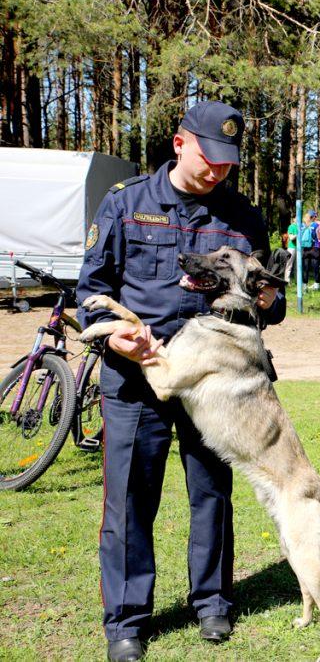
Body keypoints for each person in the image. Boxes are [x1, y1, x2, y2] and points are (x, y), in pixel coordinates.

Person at [77, 101, 286, 662]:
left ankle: (213, 602)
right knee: (128, 499)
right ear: (179, 142)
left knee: (213, 493)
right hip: (135, 377)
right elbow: (87, 291)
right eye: (209, 157)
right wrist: (110, 338)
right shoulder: (126, 205)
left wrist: (272, 298)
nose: (218, 170)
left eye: (227, 162)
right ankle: (126, 621)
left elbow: (269, 301)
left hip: (214, 384)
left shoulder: (243, 217)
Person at [299, 210, 320, 290]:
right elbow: (319, 238)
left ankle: (304, 286)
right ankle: (316, 285)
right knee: (316, 267)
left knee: (305, 268)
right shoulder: (316, 225)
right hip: (315, 248)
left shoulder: (302, 225)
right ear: (313, 218)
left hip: (305, 248)